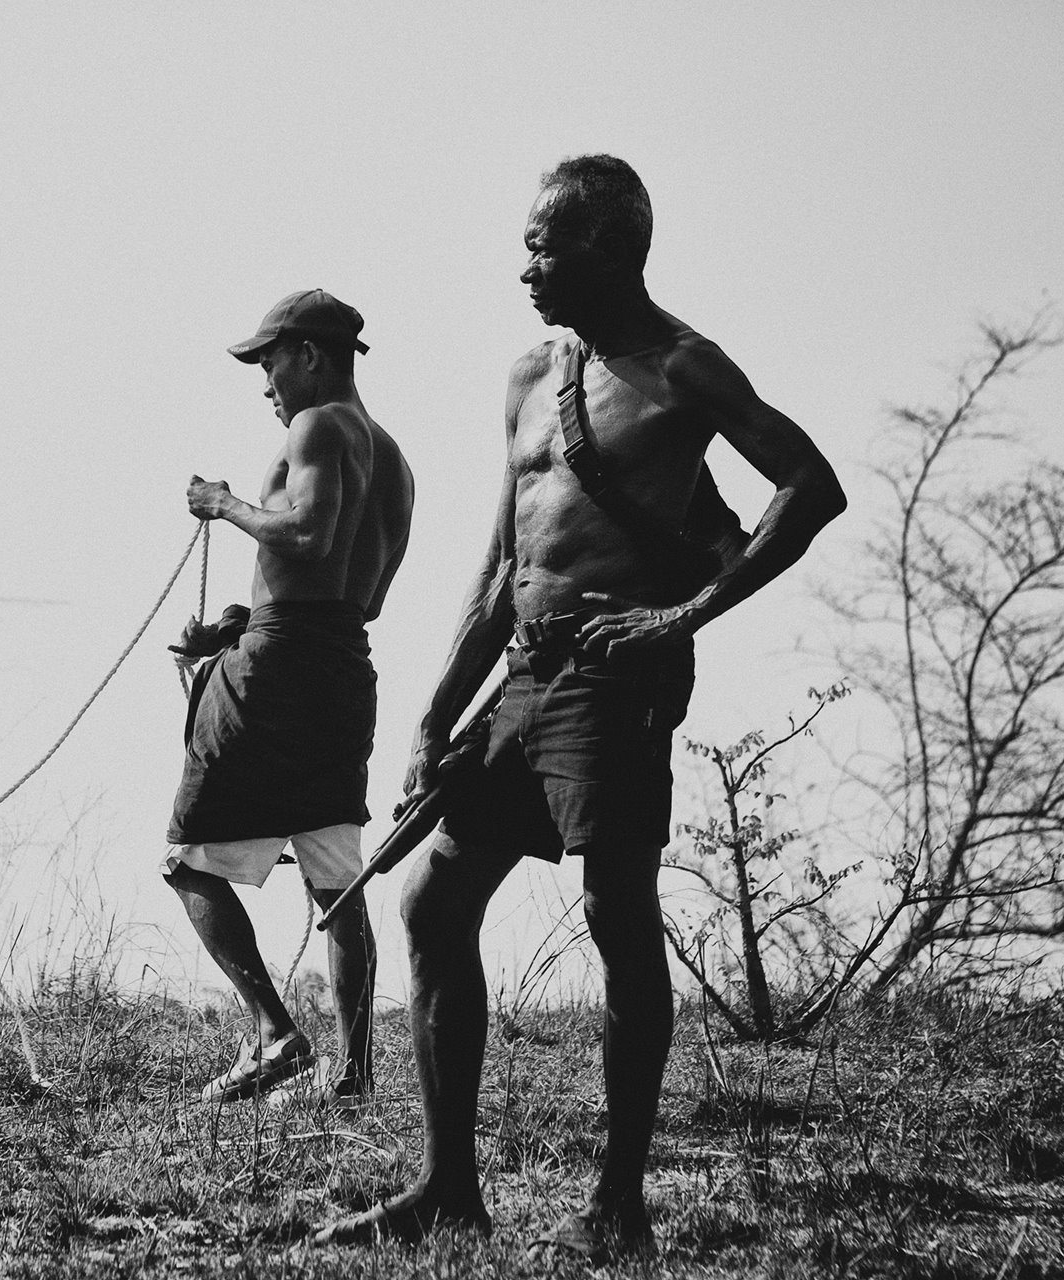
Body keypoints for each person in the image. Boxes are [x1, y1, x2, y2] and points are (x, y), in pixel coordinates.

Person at [317, 157, 846, 1256]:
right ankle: (449, 1188)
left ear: (613, 246)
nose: (526, 268)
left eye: (546, 246)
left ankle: (620, 1200)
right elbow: (503, 559)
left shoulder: (684, 367)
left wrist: (682, 617)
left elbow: (810, 486)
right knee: (430, 900)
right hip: (522, 678)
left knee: (618, 913)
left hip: (616, 681)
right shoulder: (526, 375)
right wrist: (434, 711)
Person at [166, 289, 415, 1107]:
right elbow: (350, 590)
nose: (264, 382)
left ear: (309, 354)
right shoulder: (394, 460)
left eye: (269, 361)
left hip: (275, 672)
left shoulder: (315, 427)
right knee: (337, 875)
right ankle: (353, 1074)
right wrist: (242, 619)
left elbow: (305, 534)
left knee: (189, 857)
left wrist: (223, 504)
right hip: (343, 667)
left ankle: (273, 1032)